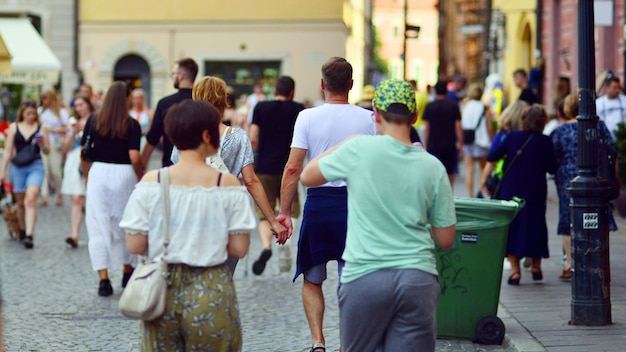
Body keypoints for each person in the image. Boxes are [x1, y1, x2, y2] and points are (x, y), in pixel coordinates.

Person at [299, 79, 456, 352]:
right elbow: (445, 238)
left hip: (365, 276)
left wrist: (347, 142)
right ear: (415, 117)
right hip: (416, 277)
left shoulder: (359, 150)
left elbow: (307, 176)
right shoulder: (433, 166)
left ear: (376, 115)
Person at [121, 99, 256, 351]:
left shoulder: (152, 181)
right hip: (212, 285)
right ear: (207, 135)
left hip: (161, 289)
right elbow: (239, 248)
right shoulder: (226, 184)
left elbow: (135, 244)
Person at [277, 57, 376, 352]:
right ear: (351, 85)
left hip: (318, 204)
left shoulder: (307, 117)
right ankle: (349, 344)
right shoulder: (368, 118)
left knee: (312, 277)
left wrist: (284, 212)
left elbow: (293, 168)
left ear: (322, 85)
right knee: (351, 283)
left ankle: (318, 341)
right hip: (355, 208)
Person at [170, 76, 288, 273]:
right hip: (226, 216)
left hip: (191, 214)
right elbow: (251, 181)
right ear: (223, 100)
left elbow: (176, 172)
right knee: (222, 277)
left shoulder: (185, 133)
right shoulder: (238, 137)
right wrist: (273, 221)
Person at [82, 81, 143, 297]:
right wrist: (141, 173)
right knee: (125, 223)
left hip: (98, 173)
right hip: (124, 174)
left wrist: (88, 177)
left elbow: (84, 153)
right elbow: (134, 156)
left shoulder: (94, 120)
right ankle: (128, 271)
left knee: (98, 225)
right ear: (125, 98)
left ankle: (104, 280)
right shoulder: (132, 124)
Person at [487, 105, 557, 285]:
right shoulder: (545, 141)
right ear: (543, 123)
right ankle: (536, 266)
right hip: (536, 190)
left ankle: (516, 271)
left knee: (513, 226)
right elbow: (552, 168)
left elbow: (492, 155)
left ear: (524, 119)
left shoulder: (512, 137)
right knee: (536, 224)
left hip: (512, 189)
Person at [552, 92, 617, 280]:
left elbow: (554, 156)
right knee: (598, 217)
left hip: (567, 179)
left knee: (568, 218)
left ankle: (570, 264)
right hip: (597, 177)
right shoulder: (599, 126)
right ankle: (599, 261)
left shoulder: (561, 130)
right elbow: (612, 150)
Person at [248, 76, 304, 275]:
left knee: (265, 212)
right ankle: (286, 242)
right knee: (292, 209)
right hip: (288, 167)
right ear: (292, 92)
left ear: (275, 91)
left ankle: (266, 246)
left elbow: (253, 138)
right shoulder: (299, 109)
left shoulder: (261, 108)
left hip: (263, 167)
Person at [0, 100, 50, 249]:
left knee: (31, 199)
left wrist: (43, 145)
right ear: (22, 113)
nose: (31, 116)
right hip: (18, 167)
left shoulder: (42, 128)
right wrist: (2, 171)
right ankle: (21, 230)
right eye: (28, 113)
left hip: (36, 165)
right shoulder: (14, 128)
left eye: (34, 113)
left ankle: (29, 234)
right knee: (20, 203)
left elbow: (48, 151)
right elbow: (8, 151)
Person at [142, 58, 198, 167]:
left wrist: (142, 164)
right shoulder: (202, 102)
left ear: (180, 76)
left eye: (173, 74)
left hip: (170, 164)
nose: (173, 77)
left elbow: (153, 136)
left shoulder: (165, 103)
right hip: (198, 163)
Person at [61, 94, 94, 248]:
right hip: (75, 160)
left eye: (81, 104)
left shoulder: (96, 120)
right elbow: (65, 149)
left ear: (88, 104)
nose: (79, 108)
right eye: (76, 105)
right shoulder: (72, 123)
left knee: (93, 199)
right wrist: (73, 132)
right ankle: (74, 234)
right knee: (77, 198)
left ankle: (95, 233)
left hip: (92, 159)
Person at [422, 81, 463, 186]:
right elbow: (458, 126)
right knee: (449, 172)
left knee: (433, 171)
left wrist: (425, 144)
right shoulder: (453, 106)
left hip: (433, 143)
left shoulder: (430, 106)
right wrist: (460, 144)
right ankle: (449, 194)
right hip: (450, 143)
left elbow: (427, 128)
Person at [38, 89, 69, 207]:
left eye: (46, 98)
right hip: (43, 144)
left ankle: (59, 193)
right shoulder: (40, 111)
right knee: (44, 170)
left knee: (55, 171)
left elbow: (66, 128)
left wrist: (51, 129)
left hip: (55, 144)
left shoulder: (61, 112)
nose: (44, 101)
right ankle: (44, 196)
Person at [461, 83, 493, 197]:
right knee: (483, 169)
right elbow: (489, 127)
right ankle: (479, 192)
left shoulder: (465, 107)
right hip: (481, 141)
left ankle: (470, 195)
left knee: (469, 170)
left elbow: (462, 123)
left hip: (468, 140)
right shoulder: (484, 108)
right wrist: (492, 139)